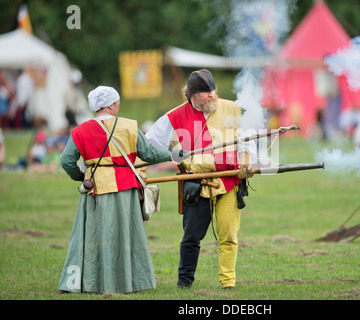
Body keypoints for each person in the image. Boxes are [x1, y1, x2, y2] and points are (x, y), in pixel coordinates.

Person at [145, 69, 255, 290]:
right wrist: (146, 167)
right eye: (206, 93)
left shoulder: (231, 108)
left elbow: (247, 139)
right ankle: (184, 283)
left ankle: (228, 283)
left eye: (213, 90)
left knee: (229, 235)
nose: (212, 96)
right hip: (196, 184)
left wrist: (245, 163)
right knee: (191, 237)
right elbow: (148, 146)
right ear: (193, 95)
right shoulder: (174, 116)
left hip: (229, 181)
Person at [58, 86, 172, 294]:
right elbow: (151, 153)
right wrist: (174, 154)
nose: (119, 105)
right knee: (124, 235)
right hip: (124, 189)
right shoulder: (128, 126)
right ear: (111, 105)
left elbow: (66, 161)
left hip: (94, 189)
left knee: (93, 236)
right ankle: (129, 282)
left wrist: (81, 176)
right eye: (117, 102)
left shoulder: (81, 130)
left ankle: (90, 282)